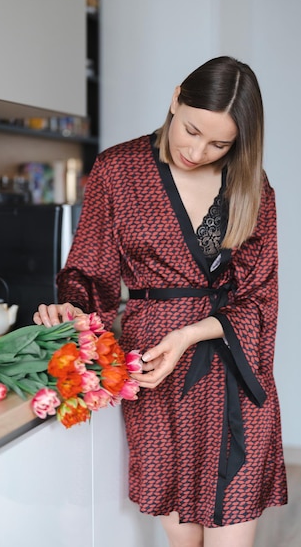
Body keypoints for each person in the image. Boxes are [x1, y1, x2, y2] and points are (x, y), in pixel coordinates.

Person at [33, 56, 288, 547]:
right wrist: (73, 311)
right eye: (191, 130)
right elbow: (89, 274)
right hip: (156, 378)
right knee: (181, 540)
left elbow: (260, 296)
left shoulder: (251, 186)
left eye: (220, 143)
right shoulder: (118, 171)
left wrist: (192, 332)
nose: (198, 150)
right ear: (176, 99)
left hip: (235, 376)